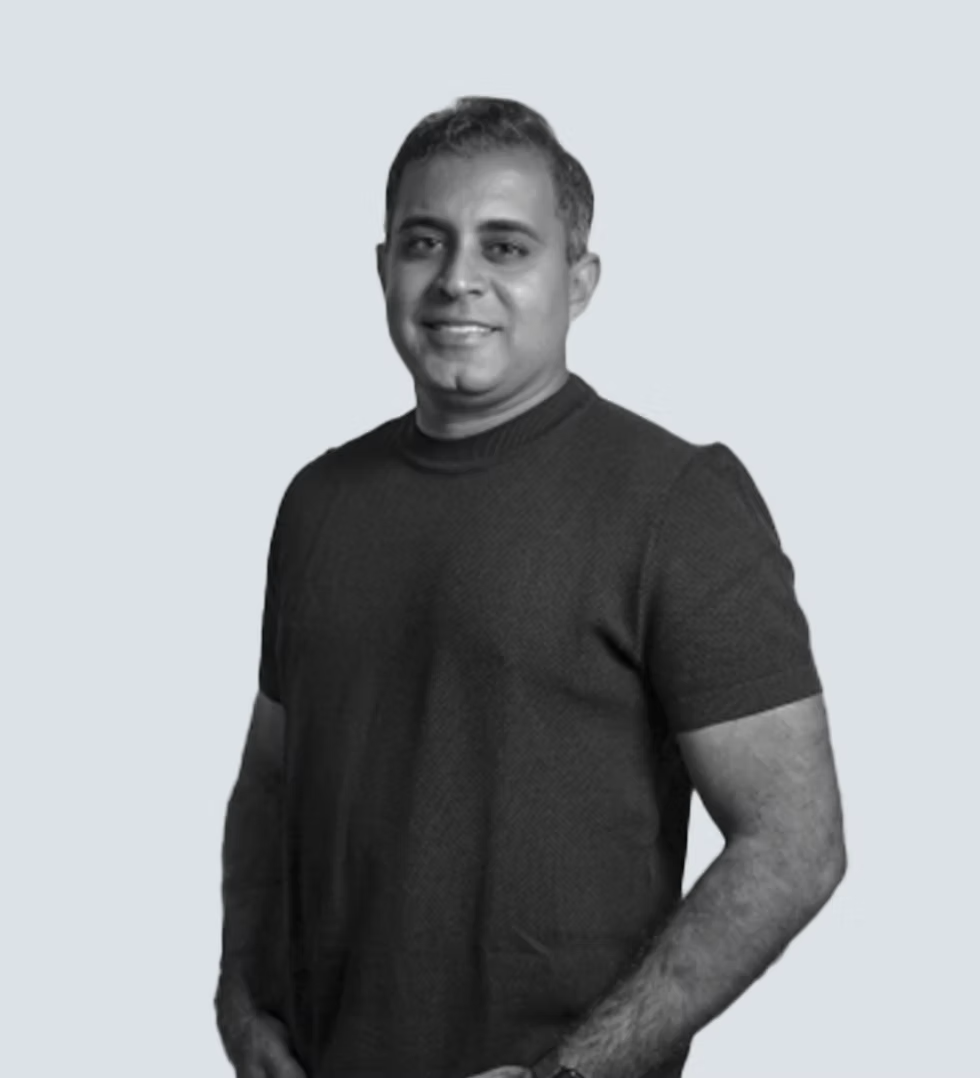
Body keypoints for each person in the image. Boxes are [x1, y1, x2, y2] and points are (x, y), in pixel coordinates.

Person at [215, 96, 847, 1078]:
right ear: (382, 268)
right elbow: (271, 778)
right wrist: (243, 991)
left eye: (505, 247)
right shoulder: (319, 501)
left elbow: (795, 842)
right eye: (425, 241)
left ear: (578, 281)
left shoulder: (676, 501)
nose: (456, 279)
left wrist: (572, 1073)